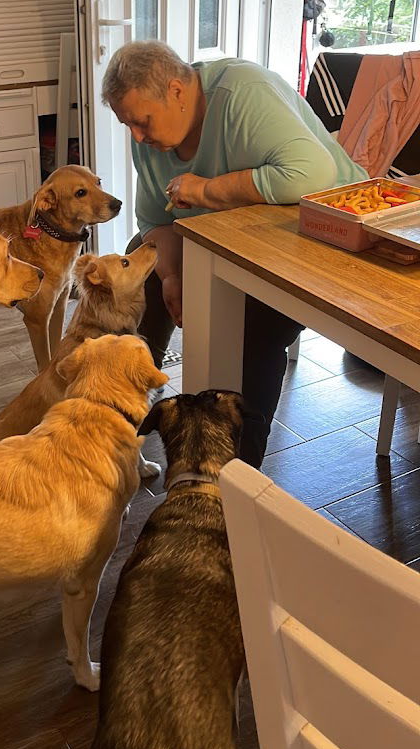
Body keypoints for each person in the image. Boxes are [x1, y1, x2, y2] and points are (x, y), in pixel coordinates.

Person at [102, 40, 368, 467]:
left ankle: (232, 474)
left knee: (253, 329)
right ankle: (122, 423)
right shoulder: (148, 141)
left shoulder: (243, 92)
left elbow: (314, 175)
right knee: (138, 275)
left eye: (141, 121)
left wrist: (207, 190)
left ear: (176, 91)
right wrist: (172, 275)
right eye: (127, 124)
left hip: (322, 234)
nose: (136, 135)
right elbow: (153, 219)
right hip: (226, 245)